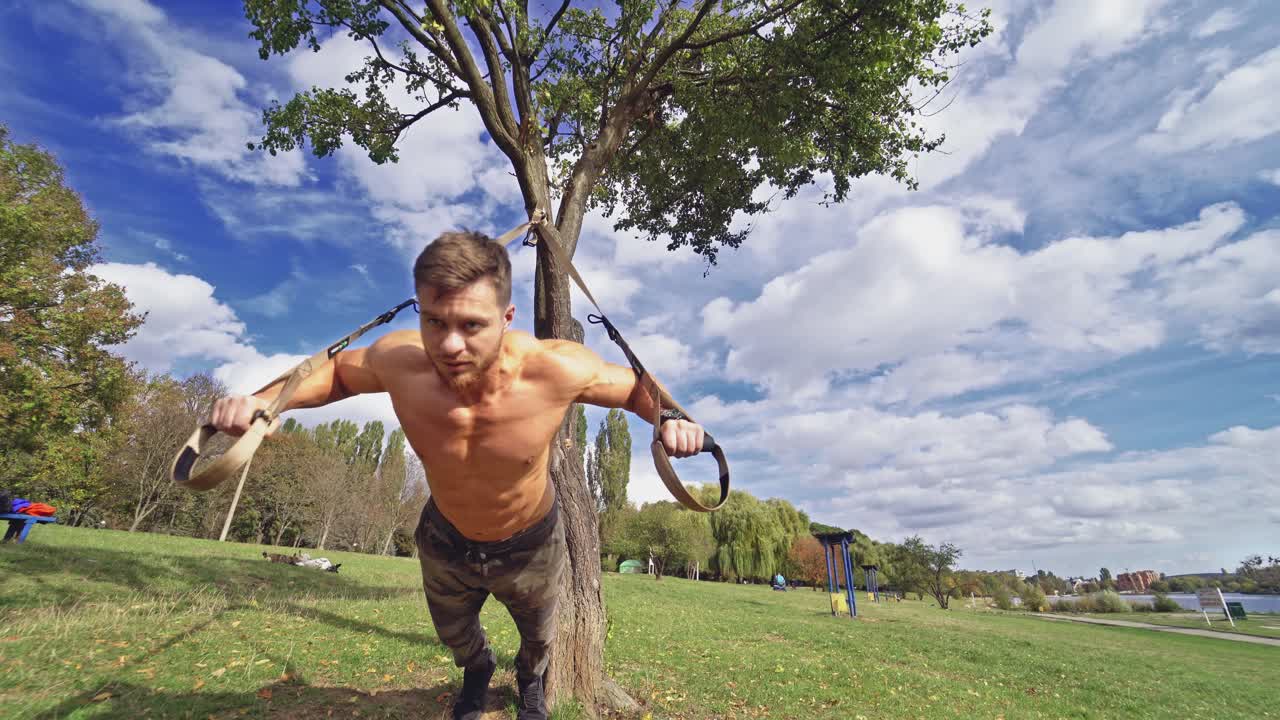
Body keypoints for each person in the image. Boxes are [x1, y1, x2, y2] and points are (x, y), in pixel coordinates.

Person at [209, 231, 708, 720]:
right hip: (445, 536)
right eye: (434, 321)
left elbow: (631, 388)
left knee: (539, 635)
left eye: (471, 325)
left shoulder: (553, 368)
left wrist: (670, 419)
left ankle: (530, 681)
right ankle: (477, 670)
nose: (449, 344)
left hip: (531, 544)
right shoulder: (399, 360)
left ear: (507, 318)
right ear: (420, 312)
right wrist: (266, 401)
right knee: (454, 632)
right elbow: (338, 374)